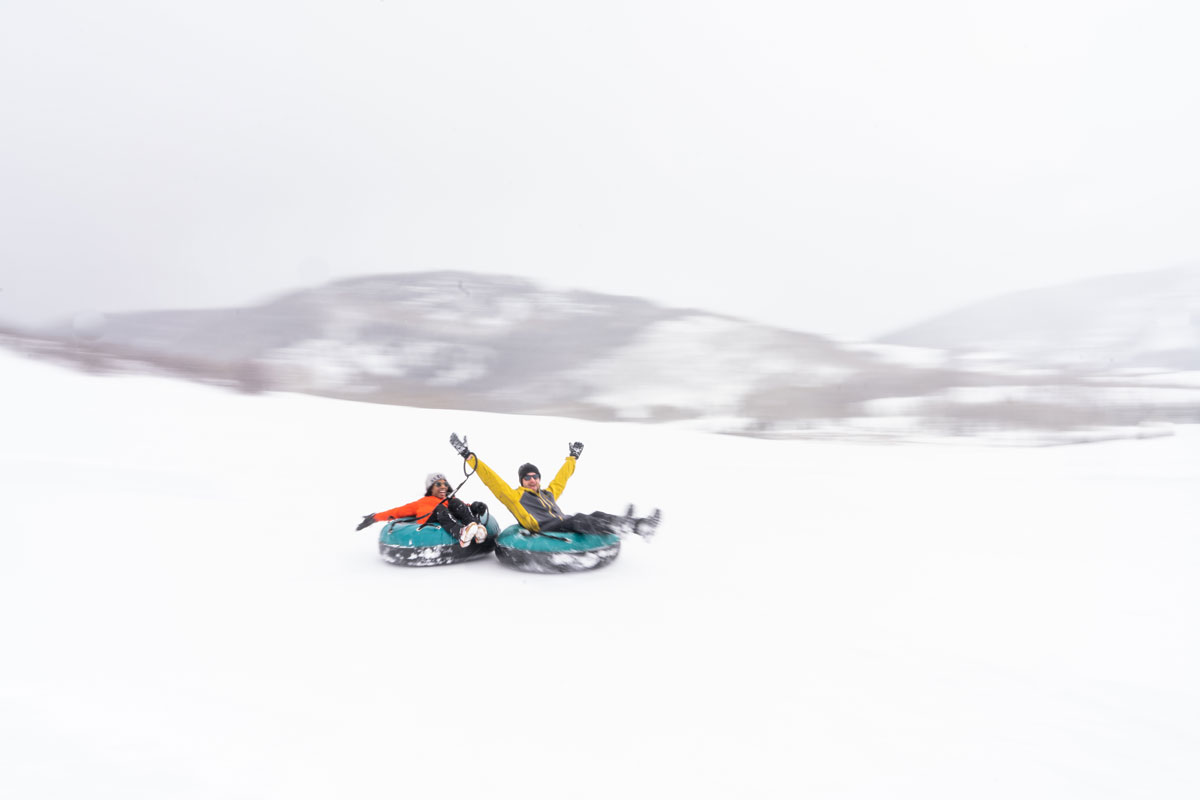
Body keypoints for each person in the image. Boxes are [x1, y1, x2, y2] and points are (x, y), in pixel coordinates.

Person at [448, 433, 661, 539]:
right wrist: (467, 455)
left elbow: (562, 478)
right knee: (578, 518)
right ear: (521, 481)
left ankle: (634, 523)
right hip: (544, 527)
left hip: (562, 521)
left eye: (535, 477)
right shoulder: (514, 496)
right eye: (527, 478)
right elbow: (490, 478)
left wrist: (573, 458)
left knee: (593, 512)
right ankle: (628, 526)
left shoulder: (548, 494)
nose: (532, 480)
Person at [355, 472, 489, 548]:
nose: (443, 486)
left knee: (455, 502)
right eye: (438, 484)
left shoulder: (450, 500)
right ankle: (460, 533)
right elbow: (397, 512)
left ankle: (476, 529)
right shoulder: (421, 502)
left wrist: (474, 507)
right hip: (430, 520)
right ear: (431, 488)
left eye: (445, 484)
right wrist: (374, 517)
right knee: (440, 508)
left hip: (448, 515)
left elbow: (462, 508)